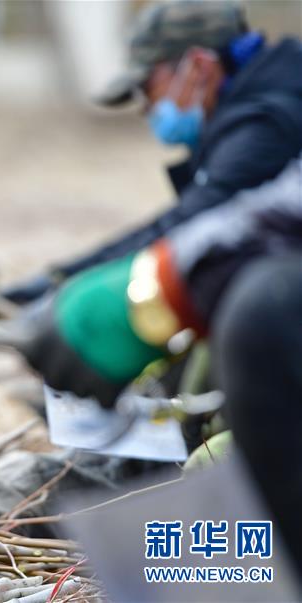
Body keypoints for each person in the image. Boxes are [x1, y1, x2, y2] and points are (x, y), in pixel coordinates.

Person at [17, 157, 302, 573]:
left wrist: (162, 286)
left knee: (262, 309)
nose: (150, 109)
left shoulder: (265, 119)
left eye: (150, 91)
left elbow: (253, 213)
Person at [2, 0, 302, 304]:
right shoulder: (270, 102)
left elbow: (185, 229)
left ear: (198, 67)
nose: (145, 110)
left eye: (147, 90)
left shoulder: (266, 127)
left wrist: (62, 284)